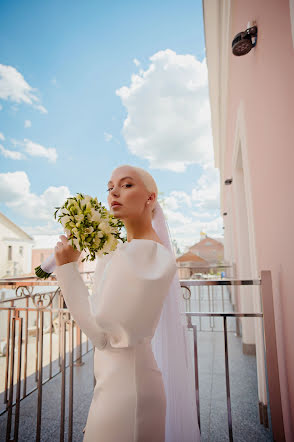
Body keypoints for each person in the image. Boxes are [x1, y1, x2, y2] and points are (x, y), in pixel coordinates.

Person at [54, 164, 201, 442]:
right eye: (110, 187)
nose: (114, 193)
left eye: (127, 185)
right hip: (116, 387)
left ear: (151, 197)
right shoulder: (129, 250)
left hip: (127, 393)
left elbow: (101, 334)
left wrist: (67, 268)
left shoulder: (146, 254)